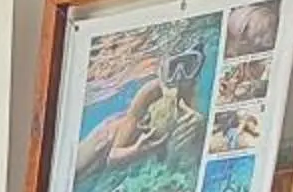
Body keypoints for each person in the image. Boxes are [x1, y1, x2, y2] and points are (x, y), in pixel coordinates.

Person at [77, 43, 207, 177]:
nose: (179, 75)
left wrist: (200, 130)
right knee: (71, 171)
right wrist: (139, 150)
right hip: (104, 142)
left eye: (189, 66)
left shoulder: (192, 97)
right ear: (161, 71)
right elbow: (113, 157)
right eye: (173, 67)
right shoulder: (150, 92)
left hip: (121, 157)